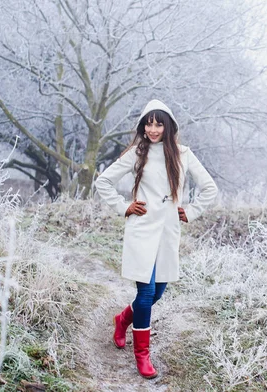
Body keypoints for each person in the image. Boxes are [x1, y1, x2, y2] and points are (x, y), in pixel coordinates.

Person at [94, 99, 218, 378]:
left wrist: (192, 211)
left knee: (157, 292)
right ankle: (142, 356)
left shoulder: (184, 154)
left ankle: (123, 319)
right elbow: (103, 181)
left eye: (158, 123)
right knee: (147, 292)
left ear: (168, 125)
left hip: (167, 232)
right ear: (143, 124)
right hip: (142, 230)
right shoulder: (138, 153)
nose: (152, 129)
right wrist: (123, 206)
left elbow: (210, 188)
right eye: (148, 123)